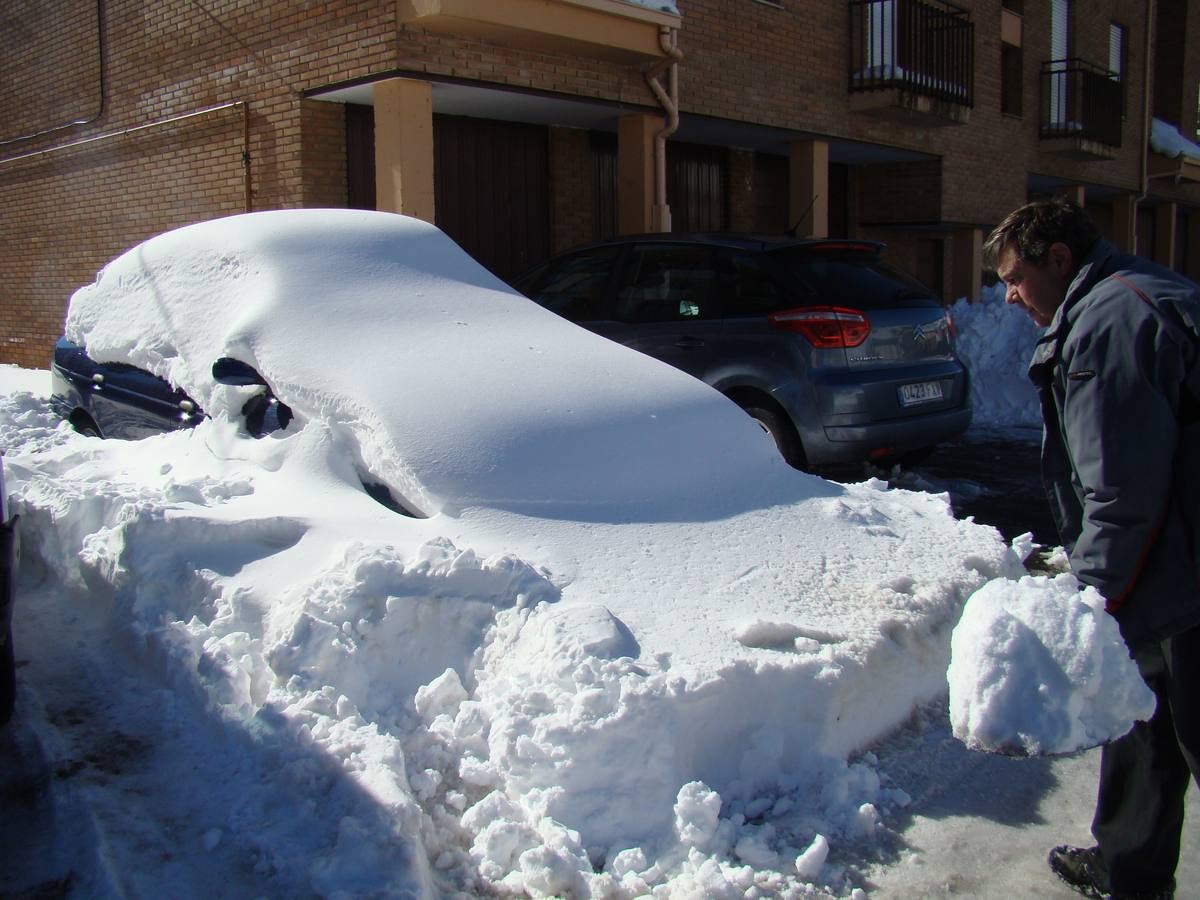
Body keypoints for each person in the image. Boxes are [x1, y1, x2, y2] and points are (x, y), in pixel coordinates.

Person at [984, 197, 1200, 900]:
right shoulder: (1135, 291)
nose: (1009, 296)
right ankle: (1128, 865)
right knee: (1141, 720)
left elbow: (1122, 491)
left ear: (1059, 259)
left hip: (1185, 571)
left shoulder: (1111, 323)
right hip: (1173, 562)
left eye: (1015, 278)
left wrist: (1092, 601)